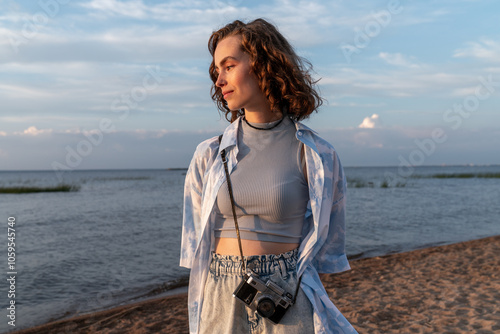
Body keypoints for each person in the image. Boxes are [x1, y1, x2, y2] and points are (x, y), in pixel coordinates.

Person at [180, 18, 357, 334]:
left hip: (286, 293)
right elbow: (196, 243)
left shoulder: (317, 154)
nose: (219, 80)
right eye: (215, 71)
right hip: (219, 292)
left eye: (229, 66)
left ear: (263, 64)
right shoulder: (209, 154)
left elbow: (329, 246)